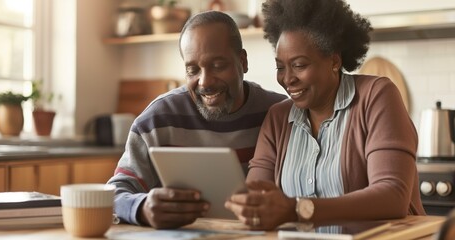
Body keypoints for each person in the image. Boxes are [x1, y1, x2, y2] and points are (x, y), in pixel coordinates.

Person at [224, 0, 426, 230]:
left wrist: (297, 209)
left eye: (299, 65)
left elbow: (393, 195)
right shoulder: (278, 118)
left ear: (334, 61)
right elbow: (256, 198)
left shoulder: (376, 96)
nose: (287, 79)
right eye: (281, 67)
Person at [106, 10, 287, 229]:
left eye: (218, 66)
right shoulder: (157, 119)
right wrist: (142, 207)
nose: (204, 82)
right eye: (193, 70)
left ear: (243, 61)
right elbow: (114, 193)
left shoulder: (277, 113)